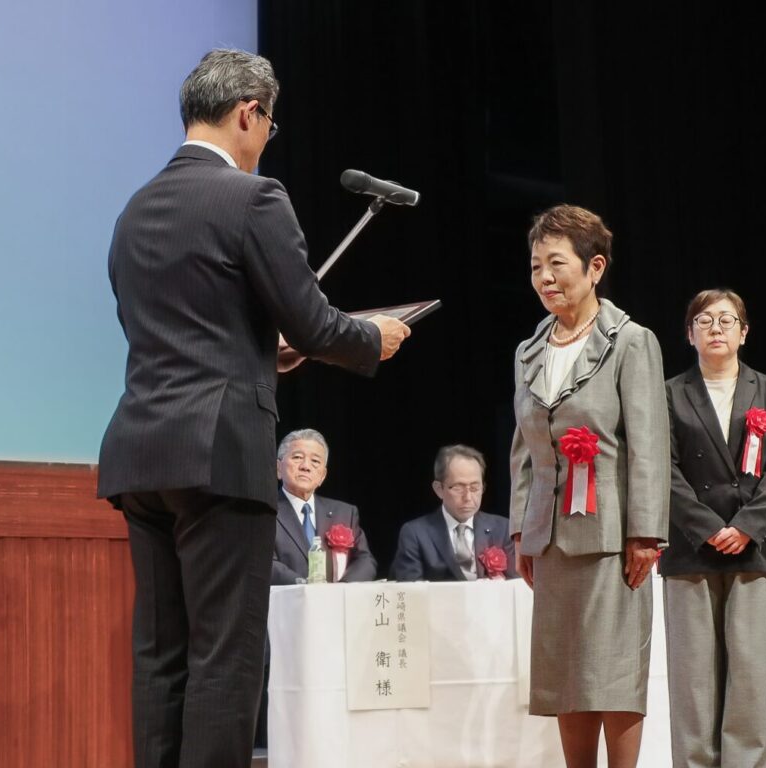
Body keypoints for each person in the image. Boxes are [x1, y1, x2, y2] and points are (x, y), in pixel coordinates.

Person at [96, 49, 409, 768]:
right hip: (218, 451)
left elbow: (178, 329)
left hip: (141, 452)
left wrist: (260, 351)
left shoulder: (134, 208)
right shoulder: (253, 197)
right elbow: (317, 325)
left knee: (161, 655)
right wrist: (376, 336)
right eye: (269, 121)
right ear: (248, 112)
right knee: (225, 657)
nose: (268, 136)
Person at [509, 204, 670, 768]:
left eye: (557, 264)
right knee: (565, 674)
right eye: (535, 267)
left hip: (612, 538)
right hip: (550, 541)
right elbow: (523, 450)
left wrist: (646, 533)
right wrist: (520, 531)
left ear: (595, 267)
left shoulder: (631, 342)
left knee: (613, 672)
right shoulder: (529, 350)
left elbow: (649, 441)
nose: (545, 279)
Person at [662, 289, 766, 768]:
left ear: (744, 332)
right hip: (689, 547)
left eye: (726, 320)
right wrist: (706, 527)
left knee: (750, 673)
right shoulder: (670, 393)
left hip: (754, 547)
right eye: (703, 320)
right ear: (689, 333)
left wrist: (745, 526)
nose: (715, 328)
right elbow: (663, 469)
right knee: (693, 676)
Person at [390, 445, 517, 581]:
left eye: (474, 487)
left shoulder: (503, 529)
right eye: (458, 488)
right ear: (439, 489)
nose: (468, 497)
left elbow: (517, 583)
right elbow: (410, 590)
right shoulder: (415, 533)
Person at [273, 429, 377, 584]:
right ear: (278, 468)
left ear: (322, 476)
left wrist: (341, 589)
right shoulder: (264, 511)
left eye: (315, 461)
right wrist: (304, 586)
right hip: (286, 603)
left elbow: (365, 561)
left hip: (335, 604)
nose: (306, 466)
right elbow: (263, 562)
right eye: (297, 457)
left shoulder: (344, 513)